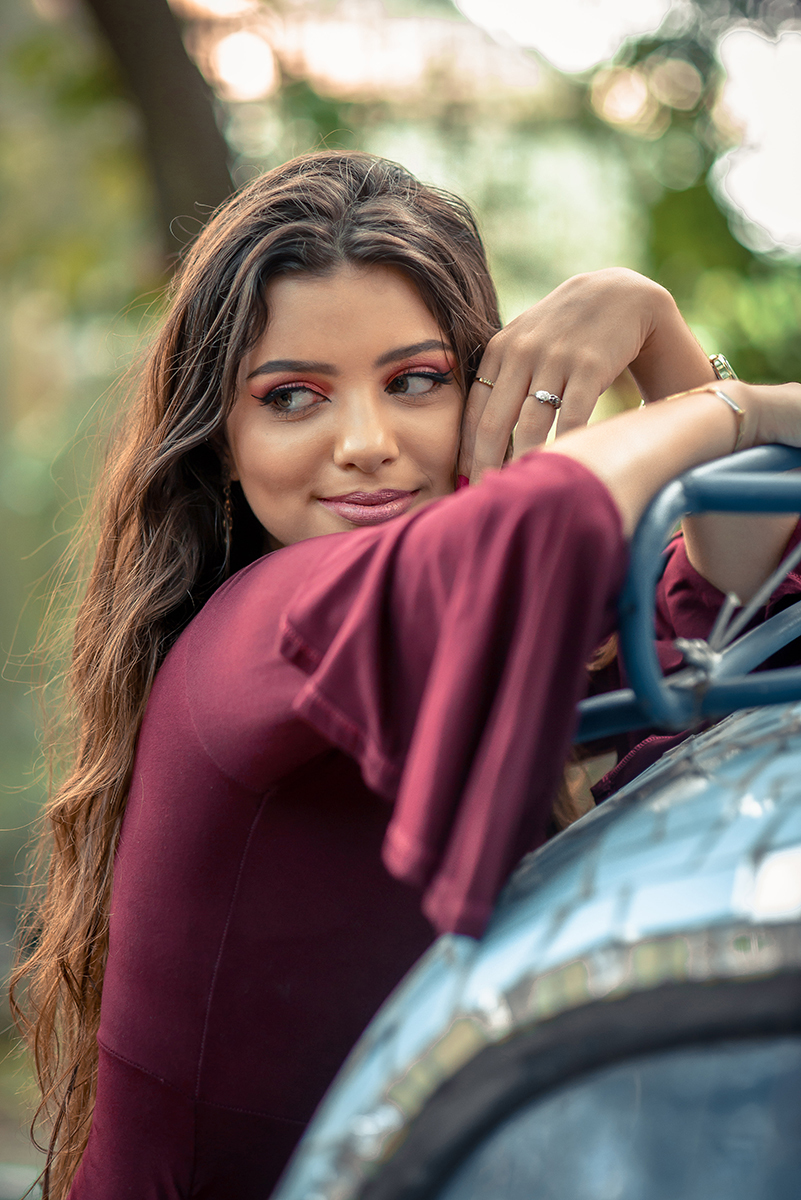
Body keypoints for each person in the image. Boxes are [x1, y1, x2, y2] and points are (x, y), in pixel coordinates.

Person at [11, 150, 801, 1199]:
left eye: (415, 381)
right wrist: (723, 408)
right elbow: (541, 517)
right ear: (224, 444)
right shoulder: (257, 635)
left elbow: (740, 601)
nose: (367, 445)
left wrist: (658, 337)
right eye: (293, 398)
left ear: (482, 390)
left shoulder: (473, 620)